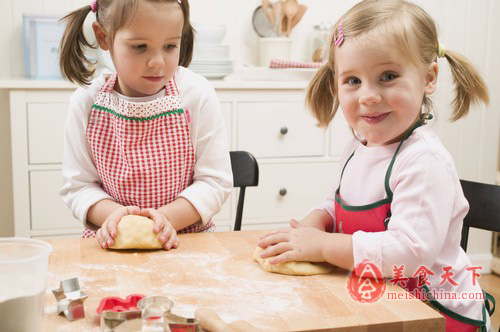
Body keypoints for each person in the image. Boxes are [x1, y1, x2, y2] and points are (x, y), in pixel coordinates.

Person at [258, 0, 494, 331]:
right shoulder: (358, 146)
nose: (368, 95)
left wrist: (325, 246)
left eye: (388, 76)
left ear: (428, 78)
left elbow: (409, 253)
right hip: (383, 298)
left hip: (434, 314)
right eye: (352, 80)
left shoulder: (424, 162)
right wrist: (316, 222)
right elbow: (340, 202)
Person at [59, 0, 232, 251]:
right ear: (103, 37)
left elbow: (215, 182)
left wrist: (166, 220)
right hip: (113, 243)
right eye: (140, 47)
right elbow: (78, 187)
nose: (157, 62)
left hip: (187, 243)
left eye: (170, 46)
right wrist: (117, 218)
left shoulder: (196, 95)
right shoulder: (85, 102)